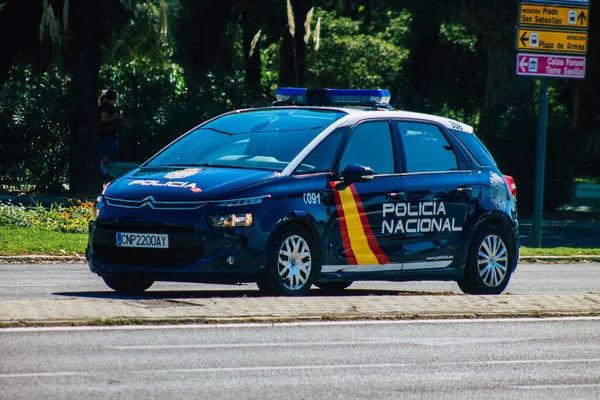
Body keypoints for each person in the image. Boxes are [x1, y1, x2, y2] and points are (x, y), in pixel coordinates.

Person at [98, 89, 124, 181]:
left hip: (108, 134)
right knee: (108, 154)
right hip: (106, 134)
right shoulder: (106, 106)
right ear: (113, 98)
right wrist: (115, 117)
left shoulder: (107, 106)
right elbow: (104, 119)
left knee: (109, 154)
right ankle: (101, 170)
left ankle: (105, 172)